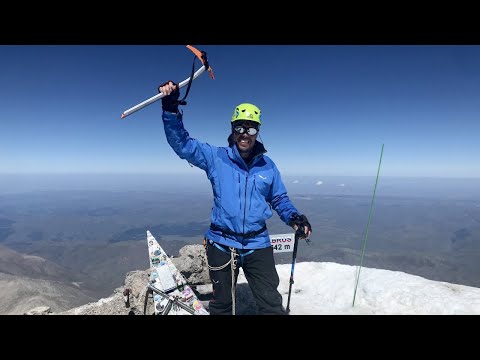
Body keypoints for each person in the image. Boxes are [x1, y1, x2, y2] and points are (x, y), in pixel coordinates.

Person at [159, 81, 312, 315]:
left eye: (251, 129)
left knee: (271, 302)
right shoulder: (216, 158)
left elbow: (279, 198)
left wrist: (294, 217)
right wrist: (171, 110)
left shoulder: (267, 167)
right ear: (232, 128)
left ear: (257, 132)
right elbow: (183, 145)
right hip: (221, 243)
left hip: (257, 243)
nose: (245, 134)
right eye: (240, 127)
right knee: (221, 305)